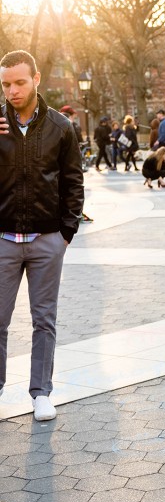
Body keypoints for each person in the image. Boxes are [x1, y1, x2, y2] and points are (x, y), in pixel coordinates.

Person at [0, 50, 85, 421]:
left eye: (19, 82)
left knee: (44, 319)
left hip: (47, 240)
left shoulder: (60, 127)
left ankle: (41, 393)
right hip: (3, 239)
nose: (12, 91)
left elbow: (72, 181)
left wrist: (65, 231)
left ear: (36, 79)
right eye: (5, 84)